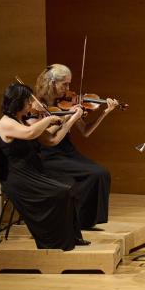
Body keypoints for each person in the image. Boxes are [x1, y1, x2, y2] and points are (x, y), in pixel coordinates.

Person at [0, 82, 86, 250]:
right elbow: (30, 133)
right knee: (60, 191)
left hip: (33, 172)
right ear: (18, 101)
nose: (31, 104)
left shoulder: (21, 120)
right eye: (28, 100)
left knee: (71, 186)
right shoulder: (6, 123)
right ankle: (53, 242)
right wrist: (50, 119)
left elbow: (51, 139)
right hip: (18, 178)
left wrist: (70, 118)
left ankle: (70, 237)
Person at [34, 64, 115, 230]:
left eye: (69, 84)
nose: (69, 89)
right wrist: (68, 117)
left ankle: (85, 221)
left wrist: (104, 113)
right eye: (64, 84)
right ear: (51, 83)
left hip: (67, 151)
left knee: (102, 173)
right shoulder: (38, 105)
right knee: (92, 174)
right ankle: (77, 220)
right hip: (48, 154)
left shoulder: (67, 103)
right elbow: (48, 136)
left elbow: (85, 131)